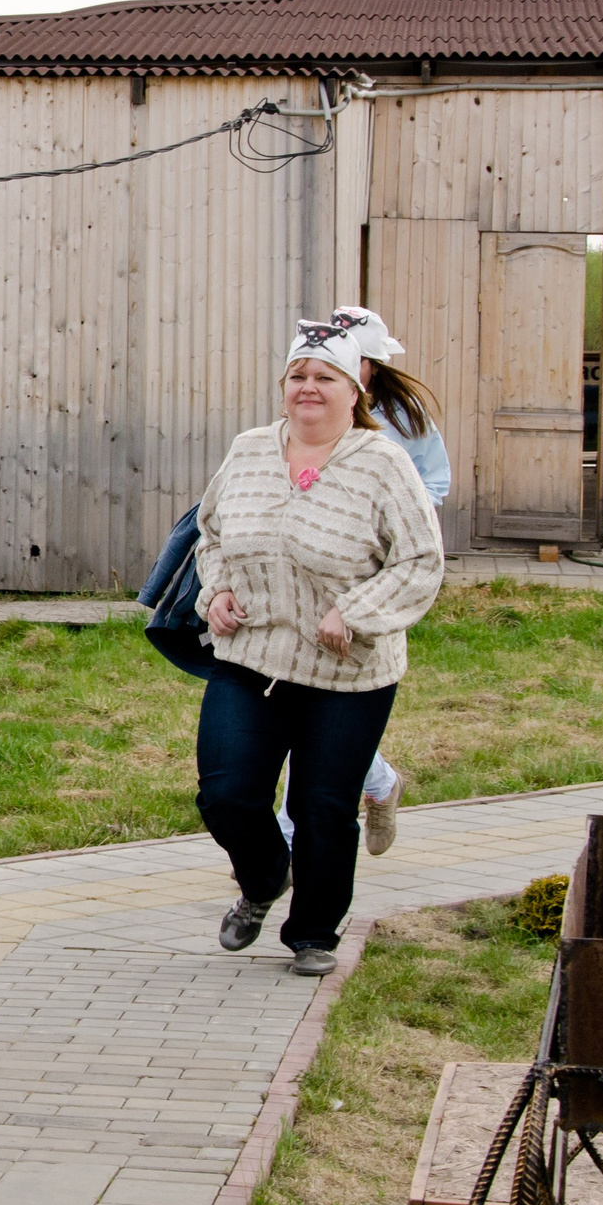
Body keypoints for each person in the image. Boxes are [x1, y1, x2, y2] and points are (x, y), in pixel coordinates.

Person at [194, 319, 444, 977]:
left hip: (346, 670)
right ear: (283, 388)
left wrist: (356, 612)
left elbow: (420, 560)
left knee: (323, 807)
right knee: (225, 794)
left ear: (353, 390)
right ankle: (264, 877)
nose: (309, 387)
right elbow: (211, 533)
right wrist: (215, 591)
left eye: (324, 377)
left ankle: (313, 933)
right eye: (297, 376)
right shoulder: (249, 450)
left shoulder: (381, 463)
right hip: (250, 655)